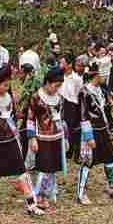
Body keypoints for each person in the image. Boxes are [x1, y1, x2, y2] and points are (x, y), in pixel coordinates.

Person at [0, 65, 44, 216]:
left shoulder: (9, 98)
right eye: (4, 85)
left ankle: (31, 204)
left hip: (11, 142)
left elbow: (12, 117)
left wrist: (18, 117)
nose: (7, 87)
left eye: (8, 84)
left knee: (21, 172)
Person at [76, 61, 113, 204]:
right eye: (103, 75)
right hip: (92, 132)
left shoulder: (101, 90)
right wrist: (88, 137)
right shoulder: (84, 92)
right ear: (96, 75)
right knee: (88, 162)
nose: (105, 78)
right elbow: (83, 116)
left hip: (103, 130)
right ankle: (81, 193)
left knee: (109, 158)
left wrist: (112, 102)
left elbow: (104, 109)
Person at [26, 67, 67, 210]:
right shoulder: (36, 97)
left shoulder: (59, 98)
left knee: (53, 167)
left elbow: (61, 118)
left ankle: (49, 192)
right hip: (42, 137)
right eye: (56, 86)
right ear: (48, 83)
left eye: (59, 86)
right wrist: (32, 138)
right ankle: (39, 195)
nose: (57, 89)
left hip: (56, 136)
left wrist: (64, 137)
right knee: (44, 166)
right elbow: (30, 119)